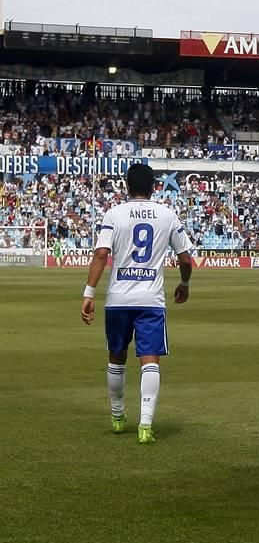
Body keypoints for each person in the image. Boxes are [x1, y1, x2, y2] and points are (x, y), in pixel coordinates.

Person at [80, 162, 193, 444]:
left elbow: (101, 255)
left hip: (118, 298)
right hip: (150, 300)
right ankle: (145, 425)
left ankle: (118, 417)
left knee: (116, 357)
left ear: (127, 186)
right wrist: (185, 283)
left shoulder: (114, 213)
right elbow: (185, 259)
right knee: (150, 359)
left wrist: (89, 293)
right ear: (154, 186)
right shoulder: (167, 214)